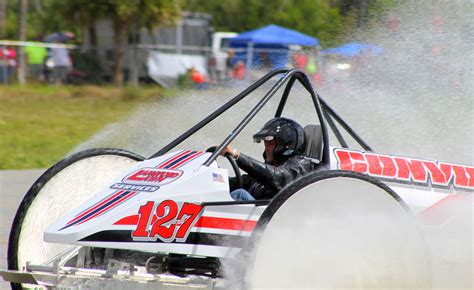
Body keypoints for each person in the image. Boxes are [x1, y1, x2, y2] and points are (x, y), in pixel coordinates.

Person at [221, 117, 320, 201]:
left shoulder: (300, 168)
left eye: (270, 143)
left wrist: (236, 155)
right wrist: (214, 175)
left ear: (285, 145)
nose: (266, 148)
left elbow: (277, 177)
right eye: (265, 144)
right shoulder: (268, 170)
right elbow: (240, 181)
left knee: (240, 195)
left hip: (276, 220)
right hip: (257, 217)